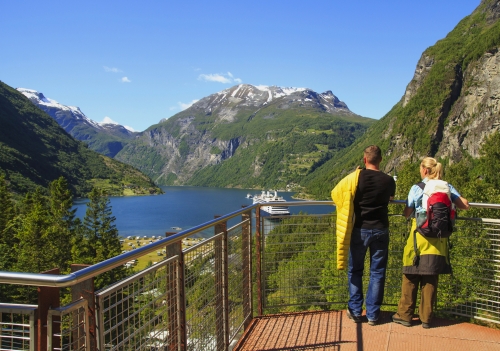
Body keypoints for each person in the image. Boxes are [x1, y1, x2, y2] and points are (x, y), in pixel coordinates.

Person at [392, 157, 469, 329]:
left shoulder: (418, 188)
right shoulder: (446, 187)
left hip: (418, 238)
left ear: (425, 170)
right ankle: (426, 318)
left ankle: (404, 315)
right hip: (439, 240)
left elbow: (407, 212)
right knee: (430, 277)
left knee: (411, 274)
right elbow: (465, 205)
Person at [331, 145, 396, 326]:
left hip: (360, 230)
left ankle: (355, 310)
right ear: (381, 160)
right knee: (377, 272)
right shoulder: (389, 180)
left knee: (355, 270)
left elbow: (336, 193)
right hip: (381, 229)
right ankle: (374, 315)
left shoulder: (355, 178)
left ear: (365, 159)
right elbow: (390, 198)